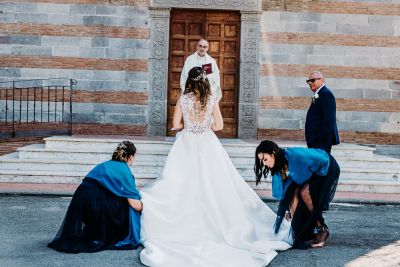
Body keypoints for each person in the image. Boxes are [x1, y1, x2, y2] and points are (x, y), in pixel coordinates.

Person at [140, 67, 292, 267]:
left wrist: (186, 126)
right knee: (215, 183)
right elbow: (219, 126)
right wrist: (206, 126)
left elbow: (176, 123)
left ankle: (180, 226)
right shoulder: (211, 100)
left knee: (180, 183)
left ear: (189, 81)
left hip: (185, 144)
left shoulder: (183, 99)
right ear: (204, 81)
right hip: (207, 143)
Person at [48, 141, 143, 253]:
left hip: (80, 199)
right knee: (125, 207)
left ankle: (97, 232)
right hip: (95, 204)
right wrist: (146, 207)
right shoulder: (125, 171)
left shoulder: (104, 164)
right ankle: (113, 234)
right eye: (135, 156)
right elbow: (134, 204)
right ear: (131, 157)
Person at [254, 140, 340, 249]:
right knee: (293, 192)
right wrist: (292, 218)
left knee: (304, 192)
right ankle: (302, 230)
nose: (264, 164)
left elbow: (323, 160)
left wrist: (310, 180)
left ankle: (322, 229)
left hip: (325, 167)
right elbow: (287, 192)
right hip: (311, 171)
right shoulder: (278, 167)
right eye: (261, 161)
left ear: (273, 153)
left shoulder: (295, 155)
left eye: (265, 159)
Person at [305, 71, 340, 154]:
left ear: (322, 80)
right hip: (316, 140)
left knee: (321, 164)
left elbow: (329, 120)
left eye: (313, 80)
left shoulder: (326, 94)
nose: (310, 83)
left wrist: (319, 139)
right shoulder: (320, 94)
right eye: (308, 81)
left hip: (320, 141)